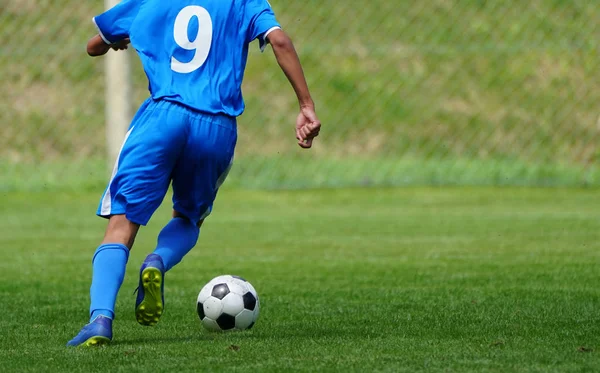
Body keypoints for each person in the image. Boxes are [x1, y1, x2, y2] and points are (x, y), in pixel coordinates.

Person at [67, 0, 321, 347]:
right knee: (188, 218)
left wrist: (119, 39)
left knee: (121, 224)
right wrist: (306, 105)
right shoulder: (246, 2)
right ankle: (158, 259)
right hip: (215, 125)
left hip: (162, 116)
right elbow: (280, 41)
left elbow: (93, 45)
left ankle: (100, 320)